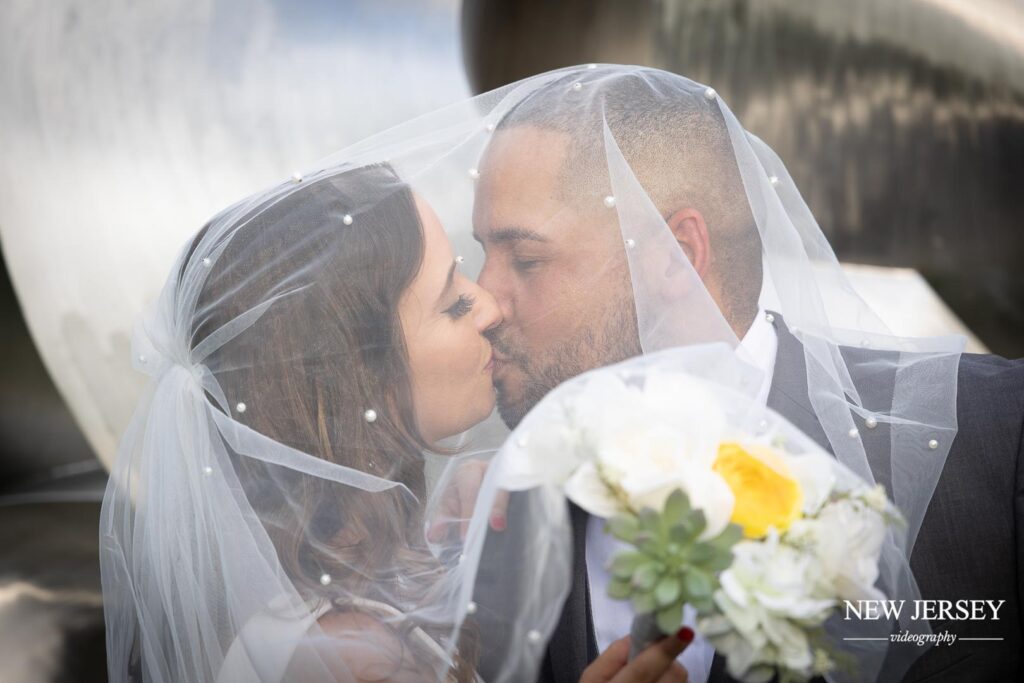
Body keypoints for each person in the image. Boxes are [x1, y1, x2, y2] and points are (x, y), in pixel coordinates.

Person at [469, 66, 1022, 682]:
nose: (483, 302)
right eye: (482, 256)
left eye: (525, 258)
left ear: (676, 254)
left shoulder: (999, 436)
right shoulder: (490, 524)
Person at [100, 162, 693, 682]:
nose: (486, 307)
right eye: (452, 302)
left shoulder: (332, 590)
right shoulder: (356, 662)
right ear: (364, 376)